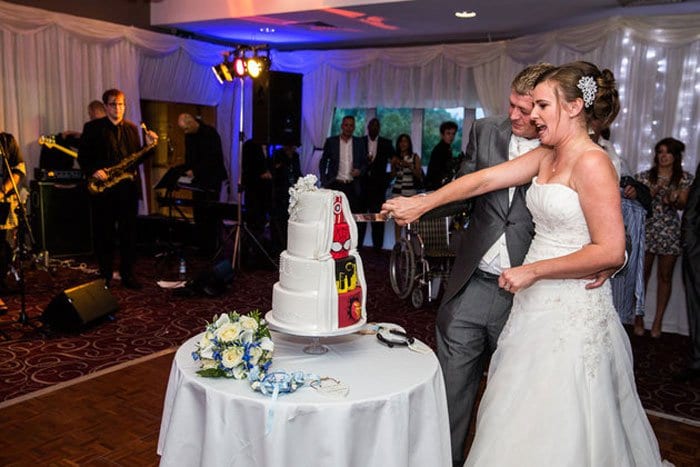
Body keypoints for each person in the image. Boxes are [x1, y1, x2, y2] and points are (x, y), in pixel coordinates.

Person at [383, 61, 669, 465]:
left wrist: (533, 269)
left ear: (572, 107)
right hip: (532, 304)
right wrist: (422, 202)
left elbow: (610, 251)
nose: (531, 116)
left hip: (568, 306)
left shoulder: (592, 162)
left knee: (561, 414)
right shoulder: (547, 155)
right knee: (515, 405)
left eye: (541, 106)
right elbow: (484, 180)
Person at [393, 63, 550, 466]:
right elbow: (465, 191)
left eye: (524, 108)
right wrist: (418, 208)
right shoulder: (486, 131)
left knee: (513, 400)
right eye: (510, 104)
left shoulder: (562, 147)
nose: (513, 115)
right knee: (451, 392)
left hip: (529, 294)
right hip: (473, 282)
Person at [78, 89, 158, 289]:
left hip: (127, 189)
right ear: (105, 106)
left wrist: (149, 147)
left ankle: (127, 273)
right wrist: (94, 170)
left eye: (121, 104)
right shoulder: (92, 128)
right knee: (103, 233)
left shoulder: (131, 128)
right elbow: (83, 157)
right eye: (114, 104)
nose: (118, 108)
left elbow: (136, 158)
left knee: (128, 234)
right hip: (104, 190)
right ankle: (104, 273)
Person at [632, 138, 693, 337]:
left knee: (665, 277)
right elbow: (638, 201)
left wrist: (674, 198)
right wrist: (655, 190)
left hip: (669, 231)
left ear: (676, 156)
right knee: (643, 276)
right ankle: (639, 318)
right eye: (660, 151)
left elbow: (683, 205)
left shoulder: (684, 178)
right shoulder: (644, 176)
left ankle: (658, 321)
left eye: (667, 152)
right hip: (648, 229)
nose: (663, 156)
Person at [177, 113, 228, 257]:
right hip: (198, 180)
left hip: (212, 179)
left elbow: (213, 159)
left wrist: (195, 170)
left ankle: (212, 247)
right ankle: (202, 246)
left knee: (210, 213)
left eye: (186, 128)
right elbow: (190, 157)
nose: (185, 132)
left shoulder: (209, 133)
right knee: (199, 213)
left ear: (192, 122)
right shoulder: (190, 136)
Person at [676, 162, 700, 381]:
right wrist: (689, 243)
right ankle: (697, 360)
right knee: (695, 304)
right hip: (698, 251)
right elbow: (693, 206)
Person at [318, 115, 367, 216]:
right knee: (334, 216)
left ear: (354, 127)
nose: (348, 128)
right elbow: (323, 161)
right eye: (346, 125)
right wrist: (323, 180)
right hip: (335, 184)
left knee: (352, 216)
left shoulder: (359, 142)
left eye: (351, 125)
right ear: (342, 126)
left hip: (353, 186)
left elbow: (365, 163)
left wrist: (360, 171)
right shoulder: (331, 142)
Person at [358, 118, 394, 250]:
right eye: (372, 125)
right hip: (361, 187)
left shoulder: (386, 143)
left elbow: (394, 159)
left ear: (379, 128)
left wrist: (389, 177)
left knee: (378, 219)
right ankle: (358, 247)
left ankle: (378, 248)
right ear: (367, 127)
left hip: (378, 188)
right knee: (360, 219)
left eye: (377, 126)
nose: (374, 128)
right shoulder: (359, 142)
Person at [0, 132, 26, 311]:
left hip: (4, 201)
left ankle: (1, 281)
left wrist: (4, 190)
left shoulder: (6, 140)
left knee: (4, 246)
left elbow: (19, 168)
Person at [270, 133, 302, 255]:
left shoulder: (296, 156)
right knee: (280, 222)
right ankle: (279, 248)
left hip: (292, 193)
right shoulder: (278, 155)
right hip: (280, 193)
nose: (292, 149)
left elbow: (298, 172)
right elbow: (277, 174)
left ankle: (290, 246)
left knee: (291, 222)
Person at [389, 133, 422, 241]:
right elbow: (392, 176)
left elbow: (419, 175)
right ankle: (398, 247)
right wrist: (393, 165)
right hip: (397, 192)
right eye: (401, 141)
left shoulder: (414, 157)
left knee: (411, 222)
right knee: (397, 222)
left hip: (410, 193)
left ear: (409, 143)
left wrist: (409, 166)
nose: (403, 144)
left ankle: (411, 250)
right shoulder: (395, 157)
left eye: (405, 141)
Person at [425, 120, 458, 191]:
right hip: (436, 187)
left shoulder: (446, 148)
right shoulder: (440, 149)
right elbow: (436, 172)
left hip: (438, 186)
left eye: (453, 134)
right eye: (448, 133)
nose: (451, 136)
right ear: (442, 135)